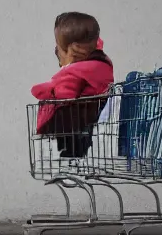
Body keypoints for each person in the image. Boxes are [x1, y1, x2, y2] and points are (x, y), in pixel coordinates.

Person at [31, 12, 114, 157]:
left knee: (62, 115)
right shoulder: (101, 64)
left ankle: (69, 155)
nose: (56, 51)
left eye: (58, 47)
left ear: (72, 50)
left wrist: (43, 90)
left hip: (77, 127)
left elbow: (65, 95)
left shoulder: (76, 73)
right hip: (89, 122)